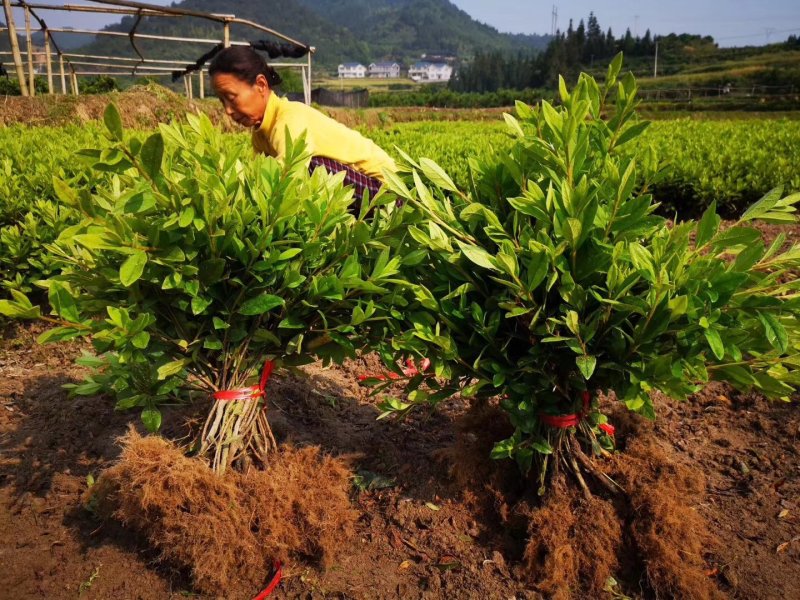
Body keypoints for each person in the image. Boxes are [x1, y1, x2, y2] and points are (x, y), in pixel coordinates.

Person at [208, 46, 397, 203]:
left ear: (261, 85)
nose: (228, 110)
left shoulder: (289, 117)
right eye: (222, 101)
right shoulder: (259, 135)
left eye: (231, 98)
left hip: (388, 192)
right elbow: (258, 182)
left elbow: (288, 178)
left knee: (306, 166)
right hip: (361, 189)